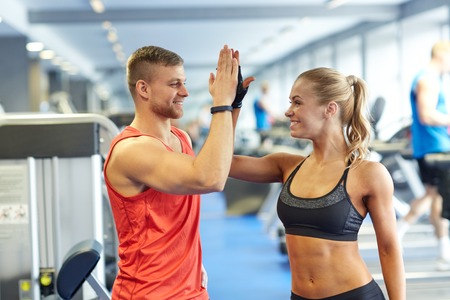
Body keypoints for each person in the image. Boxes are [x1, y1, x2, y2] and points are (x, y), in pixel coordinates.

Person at [230, 67, 406, 299]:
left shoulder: (368, 173)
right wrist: (231, 106)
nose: (288, 112)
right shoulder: (286, 165)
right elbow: (223, 163)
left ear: (329, 109)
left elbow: (388, 249)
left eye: (297, 102)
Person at [103, 44, 254, 299]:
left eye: (183, 83)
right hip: (148, 293)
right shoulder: (132, 150)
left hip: (191, 287)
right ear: (144, 89)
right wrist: (220, 105)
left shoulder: (179, 136)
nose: (184, 92)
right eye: (174, 84)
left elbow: (218, 163)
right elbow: (210, 179)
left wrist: (234, 104)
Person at [396, 40, 450, 271]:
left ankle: (442, 252)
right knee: (438, 198)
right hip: (435, 148)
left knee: (433, 197)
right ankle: (442, 253)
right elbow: (427, 115)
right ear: (442, 55)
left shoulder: (428, 77)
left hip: (431, 146)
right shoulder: (427, 78)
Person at [253, 81, 276, 146]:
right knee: (266, 144)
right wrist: (279, 117)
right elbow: (269, 111)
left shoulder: (259, 99)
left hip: (263, 125)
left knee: (263, 143)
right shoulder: (260, 100)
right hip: (263, 126)